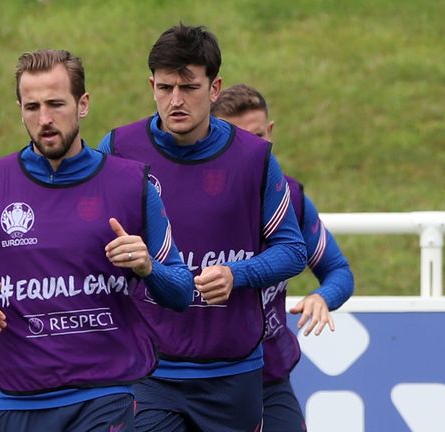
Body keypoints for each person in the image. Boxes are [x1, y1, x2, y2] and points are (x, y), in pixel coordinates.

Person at [0, 48, 194, 432]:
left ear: (83, 104)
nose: (44, 119)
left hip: (104, 394)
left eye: (56, 104)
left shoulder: (131, 184)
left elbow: (181, 291)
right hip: (17, 397)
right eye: (32, 107)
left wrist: (148, 268)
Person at [99, 24, 307, 431]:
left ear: (215, 89)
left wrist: (236, 274)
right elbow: (82, 227)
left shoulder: (254, 158)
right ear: (151, 85)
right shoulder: (120, 150)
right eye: (165, 87)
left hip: (234, 373)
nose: (175, 100)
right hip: (149, 371)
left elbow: (292, 250)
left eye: (189, 87)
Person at [212, 83, 355, 432]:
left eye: (260, 137)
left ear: (271, 132)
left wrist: (323, 296)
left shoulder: (289, 196)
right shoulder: (189, 200)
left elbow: (338, 271)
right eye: (241, 140)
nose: (254, 150)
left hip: (269, 378)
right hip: (203, 380)